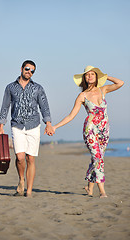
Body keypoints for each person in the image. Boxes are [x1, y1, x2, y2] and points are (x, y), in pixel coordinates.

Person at [47, 65, 124, 198]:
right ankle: (102, 191)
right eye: (87, 75)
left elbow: (120, 83)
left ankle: (89, 186)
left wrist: (105, 76)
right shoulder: (82, 95)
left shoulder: (103, 89)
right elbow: (71, 116)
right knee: (98, 158)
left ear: (96, 77)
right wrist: (55, 127)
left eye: (92, 74)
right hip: (90, 130)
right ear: (84, 78)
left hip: (104, 130)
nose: (89, 76)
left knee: (97, 158)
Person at [0, 60, 53, 197]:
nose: (29, 72)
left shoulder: (38, 88)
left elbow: (44, 106)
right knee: (20, 157)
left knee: (31, 159)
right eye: (27, 69)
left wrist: (48, 123)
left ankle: (29, 191)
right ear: (22, 68)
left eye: (32, 71)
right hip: (17, 125)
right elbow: (5, 107)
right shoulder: (10, 87)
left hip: (34, 125)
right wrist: (1, 126)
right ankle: (21, 179)